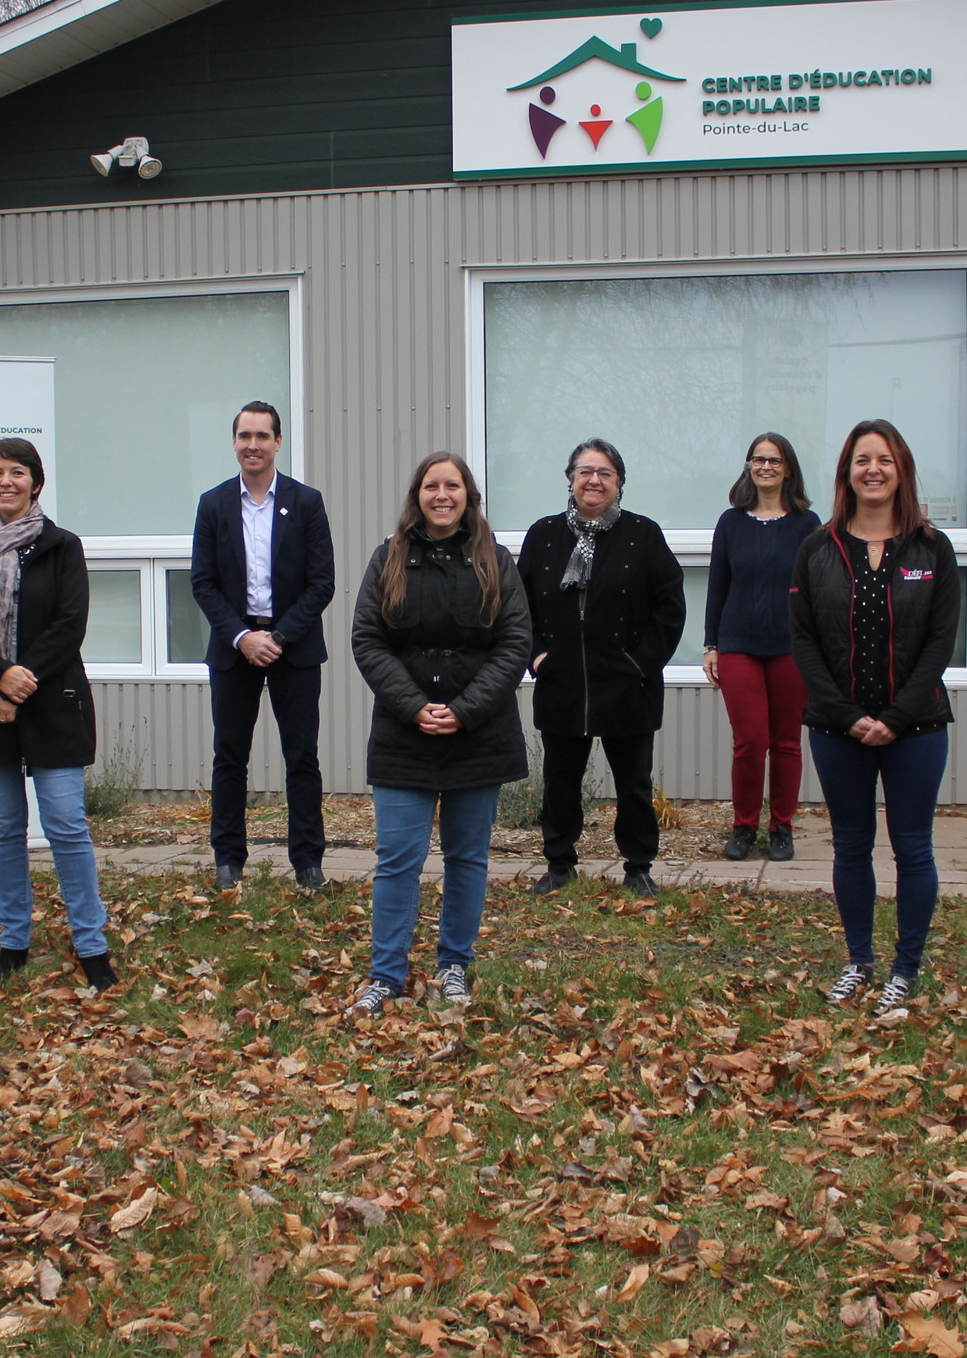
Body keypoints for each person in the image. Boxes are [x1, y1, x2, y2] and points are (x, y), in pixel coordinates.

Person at [347, 453, 532, 1014]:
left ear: (468, 495)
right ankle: (386, 973)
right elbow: (367, 639)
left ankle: (455, 964)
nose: (442, 494)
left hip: (479, 735)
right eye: (432, 485)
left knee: (467, 857)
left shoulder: (495, 560)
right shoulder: (389, 558)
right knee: (398, 857)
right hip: (406, 736)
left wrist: (464, 709)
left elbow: (516, 643)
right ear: (417, 495)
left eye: (453, 485)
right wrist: (414, 706)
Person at [791, 419, 962, 1019]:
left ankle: (905, 968)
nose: (873, 470)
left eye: (885, 460)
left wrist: (893, 715)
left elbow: (941, 642)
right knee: (851, 846)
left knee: (913, 848)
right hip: (839, 730)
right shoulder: (817, 548)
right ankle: (858, 961)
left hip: (916, 727)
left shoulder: (932, 549)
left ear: (901, 470)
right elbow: (804, 642)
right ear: (846, 472)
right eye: (862, 460)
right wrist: (848, 716)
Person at [0, 438, 118, 989]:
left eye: (17, 472)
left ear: (35, 483)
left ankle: (91, 945)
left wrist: (16, 685)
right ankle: (13, 940)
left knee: (66, 825)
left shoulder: (62, 546)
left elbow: (70, 625)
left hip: (51, 703)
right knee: (4, 827)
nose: (5, 481)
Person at [517, 440, 685, 897]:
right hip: (561, 682)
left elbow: (669, 609)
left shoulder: (643, 534)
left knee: (634, 783)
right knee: (560, 782)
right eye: (585, 470)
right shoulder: (544, 535)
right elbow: (520, 606)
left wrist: (640, 664)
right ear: (570, 478)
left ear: (619, 483)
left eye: (605, 472)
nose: (594, 480)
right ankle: (559, 864)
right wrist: (536, 656)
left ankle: (638, 866)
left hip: (629, 685)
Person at [189, 401, 336, 892]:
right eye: (244, 435)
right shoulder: (213, 504)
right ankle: (228, 858)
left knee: (302, 757)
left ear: (278, 442)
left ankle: (308, 862)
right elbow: (203, 583)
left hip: (292, 647)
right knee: (229, 755)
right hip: (235, 647)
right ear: (234, 442)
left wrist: (277, 636)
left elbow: (322, 583)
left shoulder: (307, 501)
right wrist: (243, 637)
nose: (253, 444)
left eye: (262, 435)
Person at [703, 432, 821, 863]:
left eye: (774, 460)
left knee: (787, 741)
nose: (766, 466)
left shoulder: (808, 525)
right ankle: (744, 827)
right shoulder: (731, 522)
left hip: (791, 647)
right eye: (758, 459)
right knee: (750, 740)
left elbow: (816, 590)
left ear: (788, 468)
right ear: (749, 467)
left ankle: (782, 828)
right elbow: (717, 586)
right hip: (738, 645)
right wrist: (710, 644)